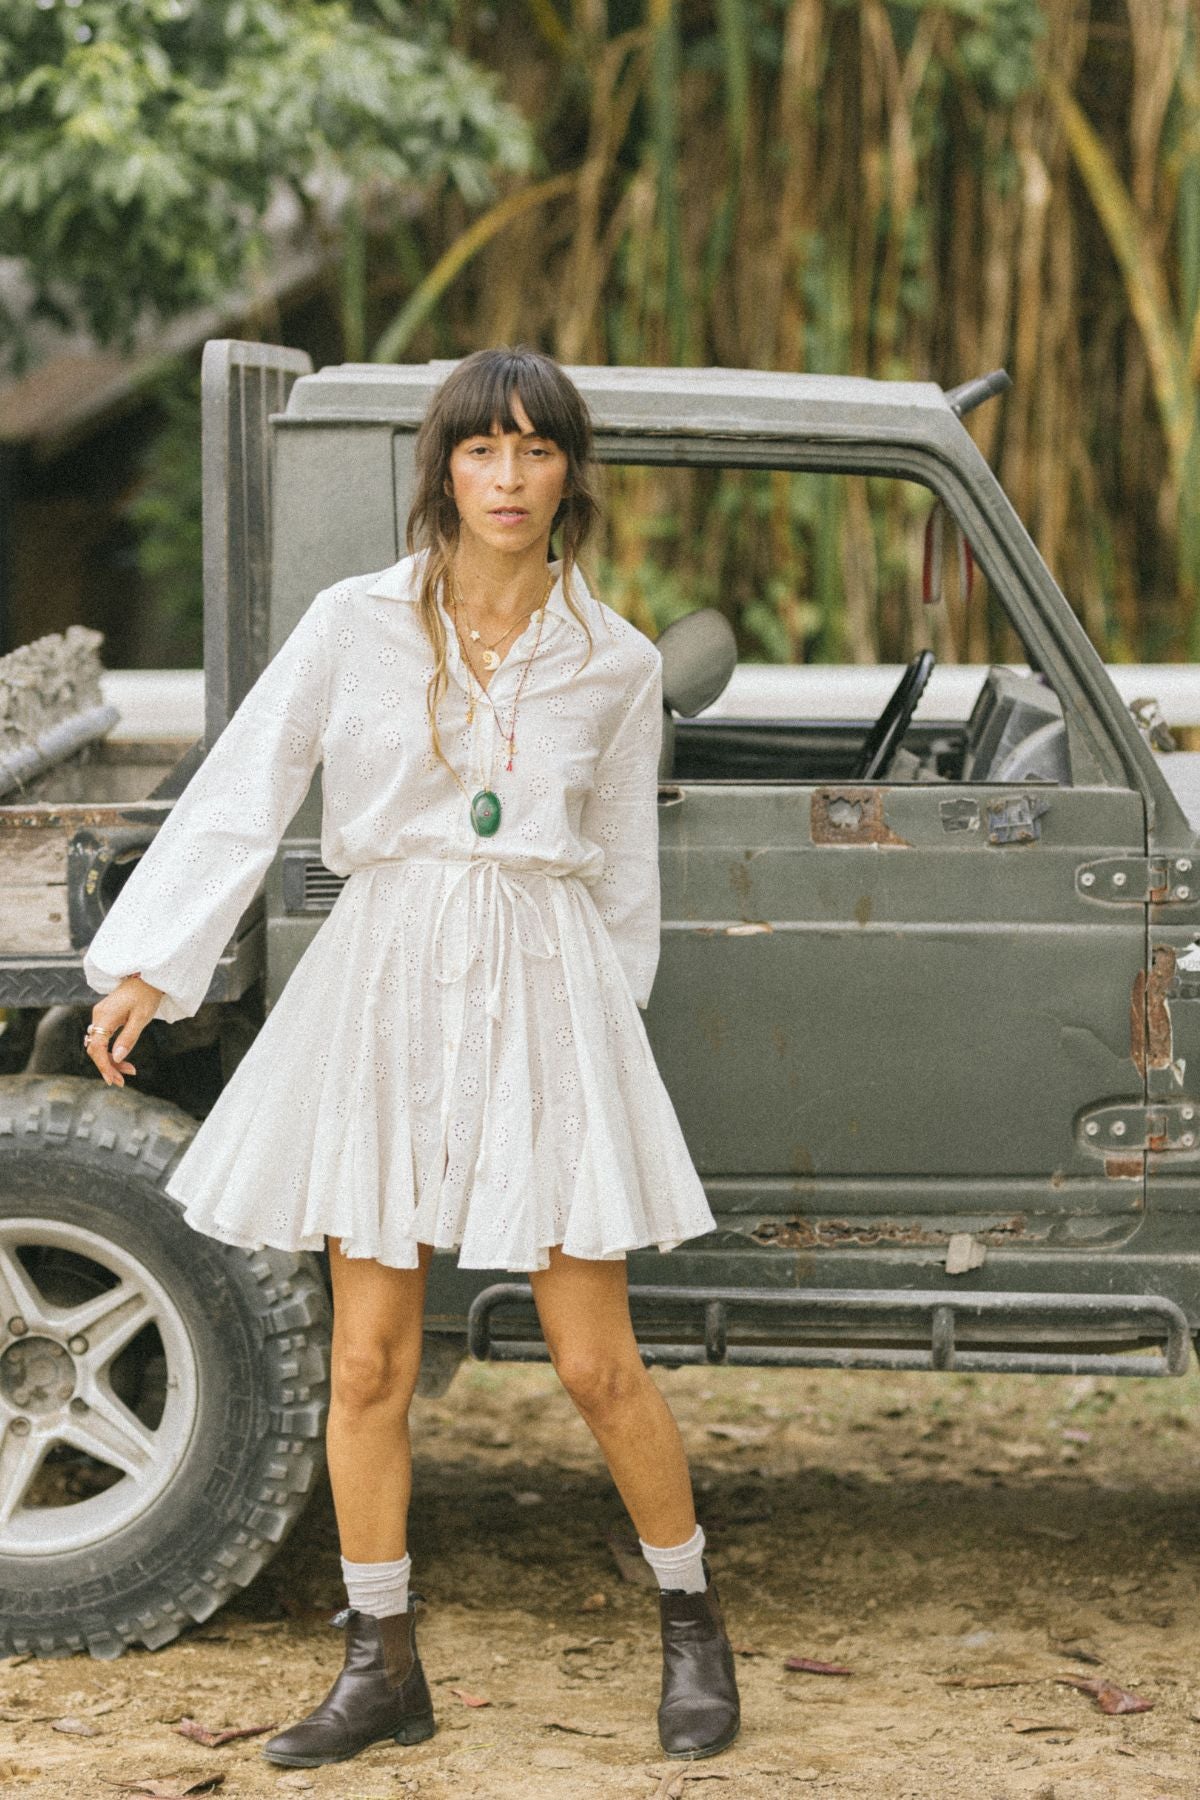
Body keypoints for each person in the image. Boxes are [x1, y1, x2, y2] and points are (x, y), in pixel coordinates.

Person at [81, 346, 741, 1767]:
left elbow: (625, 872)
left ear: (571, 474)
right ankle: (382, 1665)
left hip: (547, 992)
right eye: (482, 450)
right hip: (383, 984)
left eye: (537, 451)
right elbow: (248, 781)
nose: (508, 478)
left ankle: (691, 1622)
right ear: (443, 468)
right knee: (370, 1360)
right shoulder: (355, 624)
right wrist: (154, 958)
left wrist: (595, 1051)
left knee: (593, 1361)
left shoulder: (614, 660)